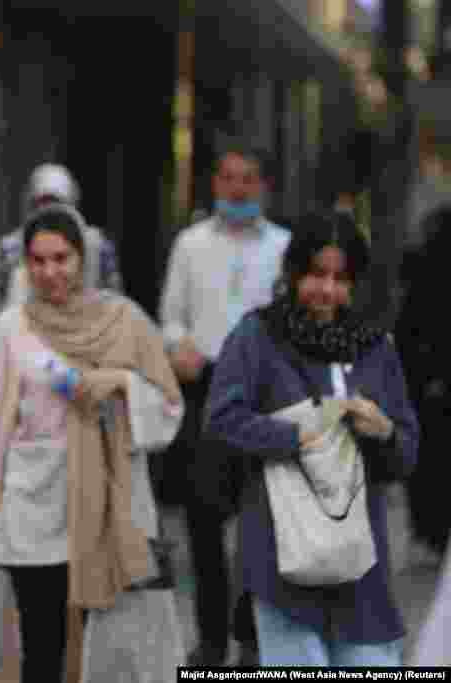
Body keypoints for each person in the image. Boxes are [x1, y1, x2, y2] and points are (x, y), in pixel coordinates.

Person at [0, 203, 183, 683]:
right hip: (31, 510)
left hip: (104, 512)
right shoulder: (12, 329)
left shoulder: (126, 322)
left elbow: (168, 409)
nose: (50, 272)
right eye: (37, 261)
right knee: (42, 648)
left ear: (83, 258)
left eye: (61, 258)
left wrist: (120, 380)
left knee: (105, 647)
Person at [204, 211, 419, 666]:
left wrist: (382, 431)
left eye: (340, 278)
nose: (327, 290)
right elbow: (220, 421)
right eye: (317, 274)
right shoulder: (257, 337)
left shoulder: (374, 347)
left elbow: (407, 451)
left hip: (361, 564)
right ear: (293, 272)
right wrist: (300, 433)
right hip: (282, 559)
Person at [158, 142, 290, 666]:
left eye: (249, 178)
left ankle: (255, 645)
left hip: (264, 395)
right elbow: (170, 316)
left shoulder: (284, 246)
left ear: (263, 186)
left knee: (262, 527)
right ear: (215, 183)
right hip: (207, 388)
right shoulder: (189, 245)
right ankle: (212, 642)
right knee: (205, 525)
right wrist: (177, 345)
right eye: (230, 177)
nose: (238, 188)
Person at [0, 163, 121, 336]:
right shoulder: (9, 248)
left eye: (57, 203)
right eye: (42, 203)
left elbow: (113, 303)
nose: (49, 211)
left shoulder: (97, 246)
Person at [395, 207, 451, 559]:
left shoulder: (421, 269)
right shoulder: (428, 270)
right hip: (431, 379)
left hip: (426, 380)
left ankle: (430, 530)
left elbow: (409, 327)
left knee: (428, 459)